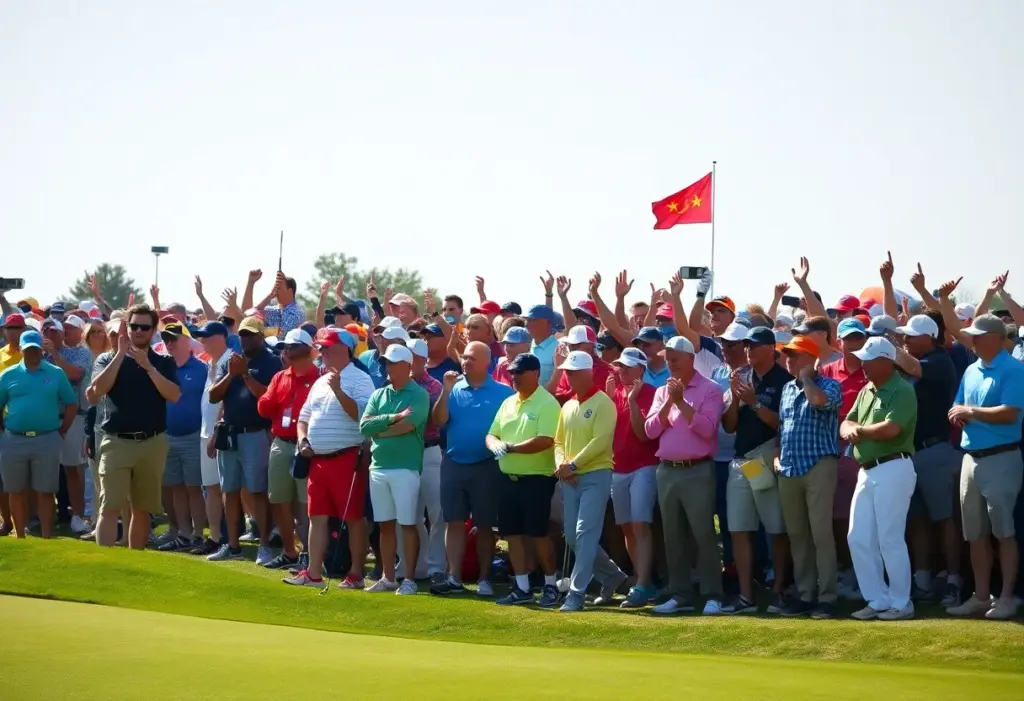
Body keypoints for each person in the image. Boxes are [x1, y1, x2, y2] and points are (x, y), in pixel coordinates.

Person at [945, 314, 1024, 620]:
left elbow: (1010, 413)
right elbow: (958, 405)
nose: (973, 340)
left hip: (1002, 457)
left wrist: (971, 412)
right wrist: (959, 414)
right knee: (974, 533)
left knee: (1004, 532)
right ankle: (981, 596)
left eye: (978, 336)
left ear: (995, 337)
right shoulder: (970, 370)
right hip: (970, 457)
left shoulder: (1014, 370)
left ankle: (1006, 597)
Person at [284, 329, 376, 589]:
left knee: (354, 517)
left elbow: (362, 416)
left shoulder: (361, 379)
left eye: (327, 348)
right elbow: (304, 417)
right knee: (317, 517)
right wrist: (303, 441)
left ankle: (356, 574)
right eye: (321, 348)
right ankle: (313, 573)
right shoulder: (319, 381)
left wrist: (338, 391)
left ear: (344, 349)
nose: (321, 352)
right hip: (318, 460)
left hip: (347, 457)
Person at [87, 307, 181, 549]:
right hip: (116, 441)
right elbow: (98, 390)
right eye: (134, 326)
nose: (139, 331)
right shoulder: (107, 359)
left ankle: (134, 565)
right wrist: (120, 355)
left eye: (145, 327)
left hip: (151, 442)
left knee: (142, 510)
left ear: (153, 330)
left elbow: (174, 395)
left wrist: (149, 367)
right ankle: (103, 566)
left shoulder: (163, 361)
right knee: (109, 507)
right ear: (126, 329)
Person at [645, 336, 725, 615]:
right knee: (673, 536)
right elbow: (651, 431)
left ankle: (713, 594)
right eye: (667, 359)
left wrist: (681, 402)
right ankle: (680, 594)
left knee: (703, 534)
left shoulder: (710, 389)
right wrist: (670, 402)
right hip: (667, 470)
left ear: (691, 359)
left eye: (675, 358)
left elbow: (706, 429)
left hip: (697, 470)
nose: (670, 363)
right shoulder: (661, 392)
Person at [840, 337, 918, 620]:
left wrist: (858, 431)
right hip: (867, 470)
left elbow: (891, 430)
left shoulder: (902, 389)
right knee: (858, 537)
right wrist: (852, 427)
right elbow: (846, 421)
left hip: (894, 466)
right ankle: (877, 599)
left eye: (868, 360)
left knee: (889, 538)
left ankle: (901, 603)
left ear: (886, 361)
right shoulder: (866, 390)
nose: (862, 365)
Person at [430, 341, 514, 596]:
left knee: (485, 525)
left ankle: (485, 578)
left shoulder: (504, 392)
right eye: (464, 358)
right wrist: (445, 391)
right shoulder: (453, 389)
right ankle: (454, 577)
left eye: (472, 358)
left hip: (487, 466)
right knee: (454, 522)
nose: (465, 362)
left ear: (487, 362)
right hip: (454, 463)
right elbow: (439, 420)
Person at [891, 313, 963, 606]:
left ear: (928, 337)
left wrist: (888, 346)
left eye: (910, 336)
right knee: (917, 520)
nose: (906, 340)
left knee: (945, 519)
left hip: (935, 452)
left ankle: (954, 581)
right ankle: (921, 580)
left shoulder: (940, 360)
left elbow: (914, 367)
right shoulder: (910, 365)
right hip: (910, 453)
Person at [720, 327, 792, 614]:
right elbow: (728, 426)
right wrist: (736, 398)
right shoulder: (742, 377)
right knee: (738, 528)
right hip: (741, 460)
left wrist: (753, 402)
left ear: (771, 348)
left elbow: (781, 424)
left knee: (775, 528)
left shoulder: (784, 380)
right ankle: (747, 597)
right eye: (746, 345)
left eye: (755, 345)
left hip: (765, 457)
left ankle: (778, 590)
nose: (748, 350)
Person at [552, 350, 626, 612]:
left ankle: (576, 593)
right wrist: (562, 465)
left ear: (588, 372)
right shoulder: (569, 405)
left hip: (596, 474)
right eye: (566, 372)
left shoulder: (603, 403)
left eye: (573, 372)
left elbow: (601, 441)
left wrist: (572, 465)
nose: (568, 377)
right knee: (572, 535)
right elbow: (558, 441)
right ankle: (612, 575)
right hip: (569, 477)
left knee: (585, 533)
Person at [486, 353, 562, 607]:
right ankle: (522, 587)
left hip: (537, 480)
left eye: (519, 372)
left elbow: (545, 440)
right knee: (513, 535)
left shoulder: (547, 403)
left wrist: (511, 448)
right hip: (507, 478)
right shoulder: (508, 402)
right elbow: (491, 433)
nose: (514, 377)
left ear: (535, 373)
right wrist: (495, 444)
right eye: (512, 373)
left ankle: (551, 586)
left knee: (538, 534)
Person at [775, 335, 842, 618]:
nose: (789, 360)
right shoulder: (786, 389)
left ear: (812, 359)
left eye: (796, 355)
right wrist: (777, 456)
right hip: (789, 468)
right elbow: (782, 427)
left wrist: (806, 379)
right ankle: (805, 593)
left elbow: (818, 401)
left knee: (820, 533)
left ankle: (827, 596)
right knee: (797, 534)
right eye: (788, 355)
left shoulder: (828, 384)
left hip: (819, 465)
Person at [206, 316, 282, 564]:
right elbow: (214, 396)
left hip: (255, 433)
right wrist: (231, 375)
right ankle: (233, 545)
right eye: (243, 334)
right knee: (229, 491)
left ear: (261, 336)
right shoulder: (232, 361)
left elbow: (268, 397)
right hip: (230, 434)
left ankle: (264, 545)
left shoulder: (271, 362)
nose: (246, 339)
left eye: (251, 334)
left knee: (259, 491)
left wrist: (246, 375)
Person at [359, 343, 430, 594]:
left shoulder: (418, 394)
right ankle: (389, 577)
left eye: (392, 363)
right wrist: (392, 418)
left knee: (407, 523)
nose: (386, 367)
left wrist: (382, 429)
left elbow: (408, 427)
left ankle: (409, 579)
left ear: (407, 367)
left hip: (406, 467)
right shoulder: (379, 394)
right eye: (386, 362)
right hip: (378, 467)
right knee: (385, 525)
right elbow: (364, 427)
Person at [0, 329, 79, 538]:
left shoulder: (55, 373)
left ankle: (46, 536)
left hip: (47, 438)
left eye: (36, 349)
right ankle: (20, 536)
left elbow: (71, 403)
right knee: (15, 490)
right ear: (21, 350)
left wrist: (63, 430)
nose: (33, 353)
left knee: (45, 490)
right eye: (28, 349)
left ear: (41, 350)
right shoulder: (8, 375)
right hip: (13, 439)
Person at [257, 328, 320, 570]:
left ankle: (310, 554)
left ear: (306, 351)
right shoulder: (280, 377)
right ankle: (289, 552)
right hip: (282, 444)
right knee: (279, 499)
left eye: (291, 347)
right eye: (285, 347)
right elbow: (263, 407)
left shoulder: (319, 378)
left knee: (307, 504)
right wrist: (274, 401)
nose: (286, 351)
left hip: (307, 447)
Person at [606, 347, 661, 607]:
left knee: (640, 525)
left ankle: (641, 584)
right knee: (627, 527)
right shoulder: (614, 392)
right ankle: (642, 581)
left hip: (644, 466)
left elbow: (643, 435)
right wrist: (610, 399)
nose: (621, 370)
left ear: (641, 369)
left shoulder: (651, 394)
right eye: (620, 366)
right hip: (619, 468)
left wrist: (632, 402)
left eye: (627, 366)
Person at [157, 322, 209, 552]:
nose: (169, 343)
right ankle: (184, 534)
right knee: (176, 487)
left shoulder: (202, 369)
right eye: (166, 339)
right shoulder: (163, 367)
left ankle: (198, 535)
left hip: (193, 436)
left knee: (193, 487)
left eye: (174, 338)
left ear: (187, 342)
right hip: (168, 435)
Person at [41, 316, 93, 535]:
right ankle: (46, 515)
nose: (50, 335)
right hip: (46, 417)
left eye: (55, 331)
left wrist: (54, 353)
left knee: (73, 469)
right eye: (47, 331)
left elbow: (74, 374)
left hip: (74, 417)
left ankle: (77, 515)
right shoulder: (37, 352)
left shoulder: (80, 352)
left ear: (63, 334)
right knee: (45, 470)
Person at [400, 338, 446, 583]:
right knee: (409, 514)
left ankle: (436, 566)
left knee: (437, 513)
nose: (405, 362)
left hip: (429, 452)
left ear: (421, 360)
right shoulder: (395, 385)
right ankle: (414, 565)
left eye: (410, 357)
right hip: (405, 454)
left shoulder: (434, 386)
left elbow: (425, 420)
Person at [526, 304, 559, 386]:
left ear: (547, 322)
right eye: (527, 320)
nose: (527, 324)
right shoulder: (528, 344)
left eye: (532, 320)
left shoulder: (558, 349)